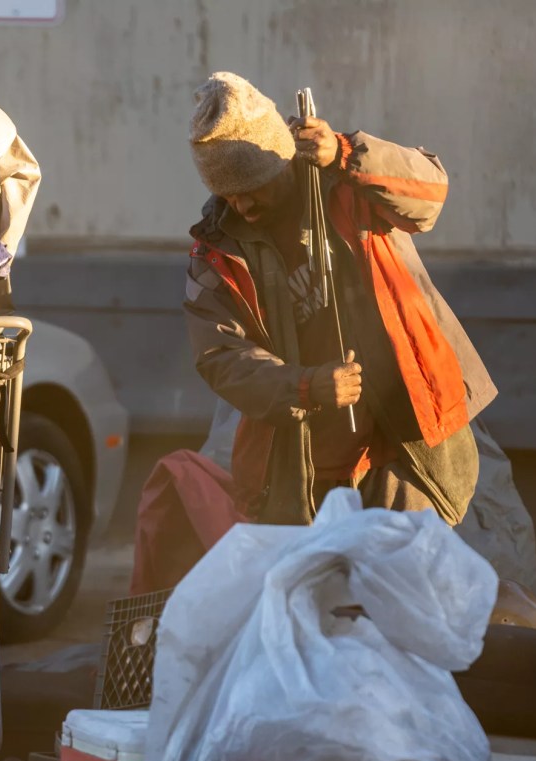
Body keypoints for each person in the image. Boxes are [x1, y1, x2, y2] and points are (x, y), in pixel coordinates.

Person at [183, 71, 496, 526]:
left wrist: (347, 154)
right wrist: (305, 386)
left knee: (402, 585)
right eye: (228, 197)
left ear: (281, 162)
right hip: (304, 469)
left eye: (253, 189)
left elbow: (431, 193)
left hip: (401, 447)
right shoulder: (214, 251)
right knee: (318, 595)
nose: (243, 208)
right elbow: (220, 355)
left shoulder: (346, 178)